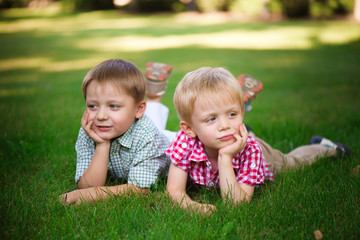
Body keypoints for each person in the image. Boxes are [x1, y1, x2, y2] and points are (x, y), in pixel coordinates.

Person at [165, 67, 351, 214]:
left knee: (291, 162)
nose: (224, 125)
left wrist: (225, 157)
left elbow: (235, 205)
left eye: (232, 114)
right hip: (235, 141)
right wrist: (191, 207)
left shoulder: (252, 151)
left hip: (264, 158)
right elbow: (174, 191)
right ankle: (247, 130)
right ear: (189, 129)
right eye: (211, 119)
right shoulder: (185, 141)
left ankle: (325, 147)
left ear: (242, 113)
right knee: (236, 133)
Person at [59, 59, 173, 205]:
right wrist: (102, 145)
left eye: (113, 106)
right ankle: (153, 92)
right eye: (93, 106)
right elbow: (87, 187)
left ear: (138, 109)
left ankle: (154, 94)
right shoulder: (89, 130)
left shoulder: (148, 135)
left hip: (168, 142)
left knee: (157, 129)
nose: (101, 116)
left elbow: (140, 189)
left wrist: (91, 195)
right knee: (149, 124)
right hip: (136, 126)